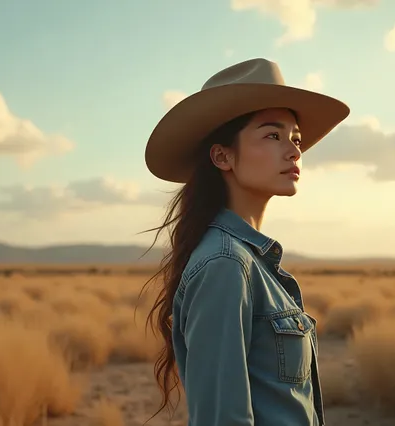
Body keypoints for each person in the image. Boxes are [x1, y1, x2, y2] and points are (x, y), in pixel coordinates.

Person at [140, 58, 350, 426]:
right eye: (272, 135)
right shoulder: (226, 265)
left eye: (296, 138)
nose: (294, 151)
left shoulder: (247, 260)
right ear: (223, 156)